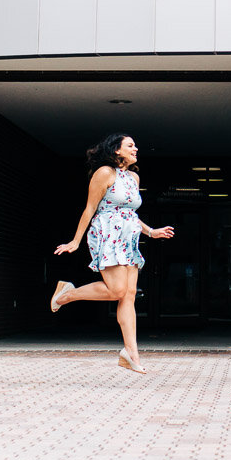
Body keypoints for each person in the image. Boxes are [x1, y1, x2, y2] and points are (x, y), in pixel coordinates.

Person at [50, 133, 174, 374]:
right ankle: (67, 294)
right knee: (117, 290)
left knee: (128, 294)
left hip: (129, 237)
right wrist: (75, 241)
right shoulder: (105, 173)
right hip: (107, 235)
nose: (136, 148)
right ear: (116, 150)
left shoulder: (133, 177)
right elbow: (90, 208)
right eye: (130, 145)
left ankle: (131, 353)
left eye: (135, 145)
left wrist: (151, 232)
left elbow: (131, 214)